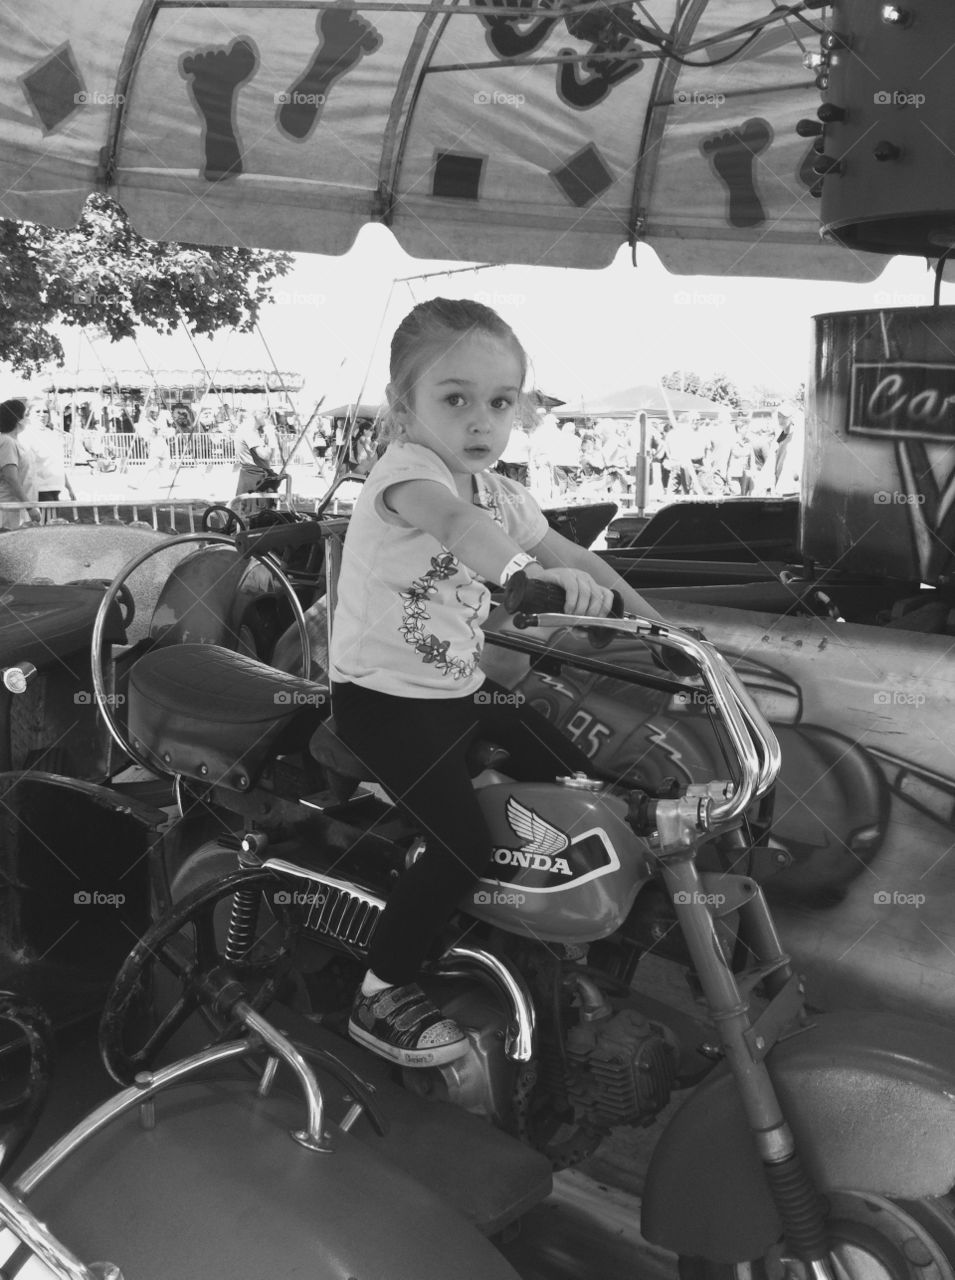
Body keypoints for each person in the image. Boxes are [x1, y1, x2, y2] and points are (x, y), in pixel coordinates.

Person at [329, 298, 663, 1068]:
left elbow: (576, 557)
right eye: (455, 399)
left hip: (457, 689)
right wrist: (519, 575)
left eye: (500, 402)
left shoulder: (503, 495)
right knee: (460, 845)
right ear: (402, 406)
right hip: (383, 701)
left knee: (582, 777)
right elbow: (456, 528)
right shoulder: (407, 474)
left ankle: (541, 924)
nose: (481, 421)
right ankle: (379, 993)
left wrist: (656, 631)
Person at [22, 403, 75, 505]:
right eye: (37, 412)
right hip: (39, 489)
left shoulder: (53, 434)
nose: (42, 415)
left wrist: (69, 488)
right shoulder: (26, 435)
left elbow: (58, 464)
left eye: (45, 411)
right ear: (28, 415)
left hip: (57, 487)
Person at [0, 399, 41, 528]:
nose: (27, 418)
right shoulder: (7, 442)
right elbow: (11, 478)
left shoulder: (17, 442)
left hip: (20, 508)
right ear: (17, 419)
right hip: (9, 510)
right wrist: (29, 507)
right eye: (25, 415)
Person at [234, 409, 279, 506]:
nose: (267, 415)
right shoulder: (249, 430)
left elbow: (269, 457)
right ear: (255, 413)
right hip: (254, 480)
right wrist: (271, 434)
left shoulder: (252, 430)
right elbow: (265, 455)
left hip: (256, 478)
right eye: (264, 412)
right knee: (257, 513)